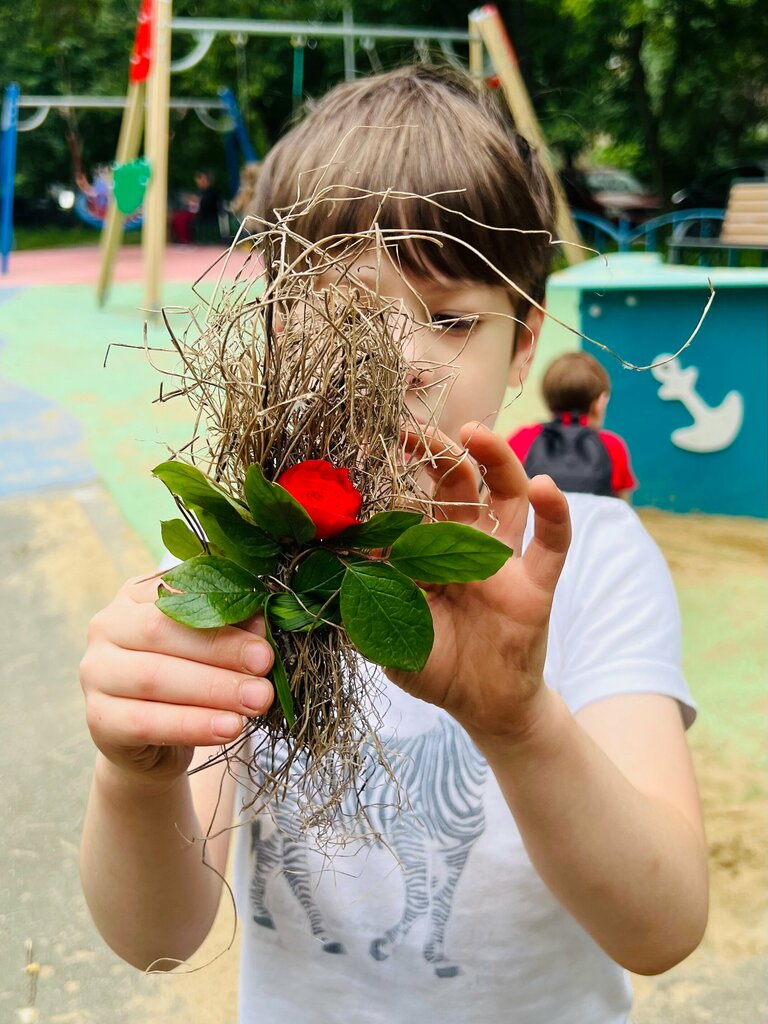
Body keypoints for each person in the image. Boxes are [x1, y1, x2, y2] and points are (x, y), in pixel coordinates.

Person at [78, 66, 707, 1024]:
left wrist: (521, 725)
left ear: (524, 342)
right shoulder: (233, 569)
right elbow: (158, 943)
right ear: (275, 321)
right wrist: (136, 777)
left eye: (451, 318)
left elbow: (663, 929)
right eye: (340, 312)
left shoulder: (591, 561)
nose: (401, 362)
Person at [509, 351, 637, 500]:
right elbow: (621, 506)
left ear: (547, 398)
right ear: (601, 402)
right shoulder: (612, 445)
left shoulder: (523, 438)